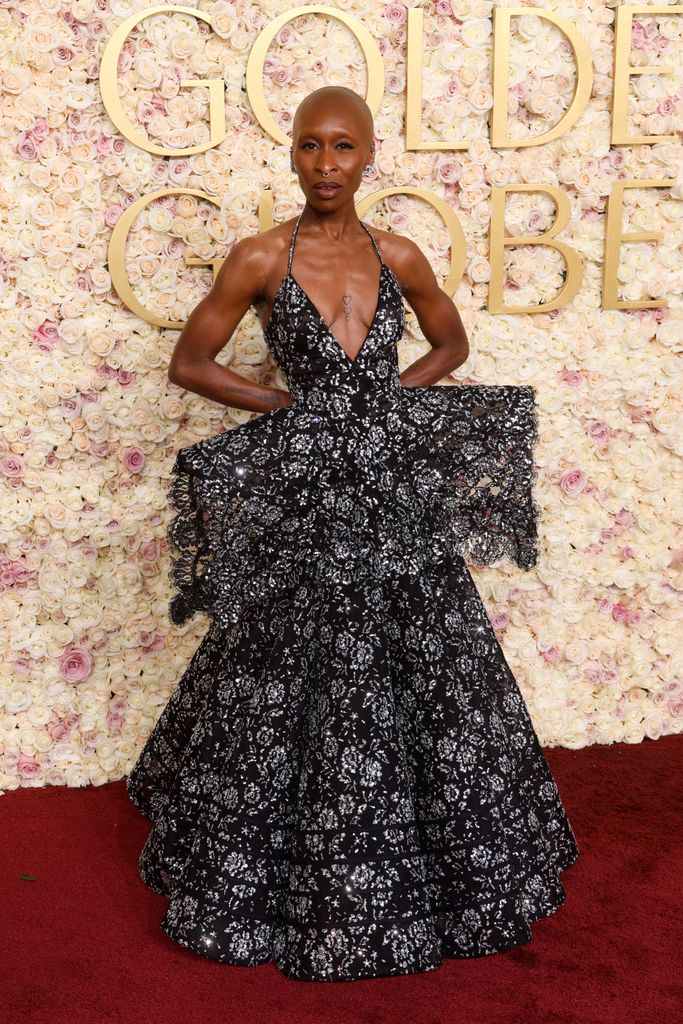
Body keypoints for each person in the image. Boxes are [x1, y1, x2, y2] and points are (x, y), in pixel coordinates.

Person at [127, 85, 579, 982]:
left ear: (369, 155)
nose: (325, 165)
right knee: (284, 655)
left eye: (342, 147)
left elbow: (449, 344)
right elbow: (191, 363)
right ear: (291, 155)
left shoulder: (398, 252)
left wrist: (384, 407)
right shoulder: (259, 256)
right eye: (308, 147)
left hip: (388, 485)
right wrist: (291, 406)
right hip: (310, 493)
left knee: (427, 652)